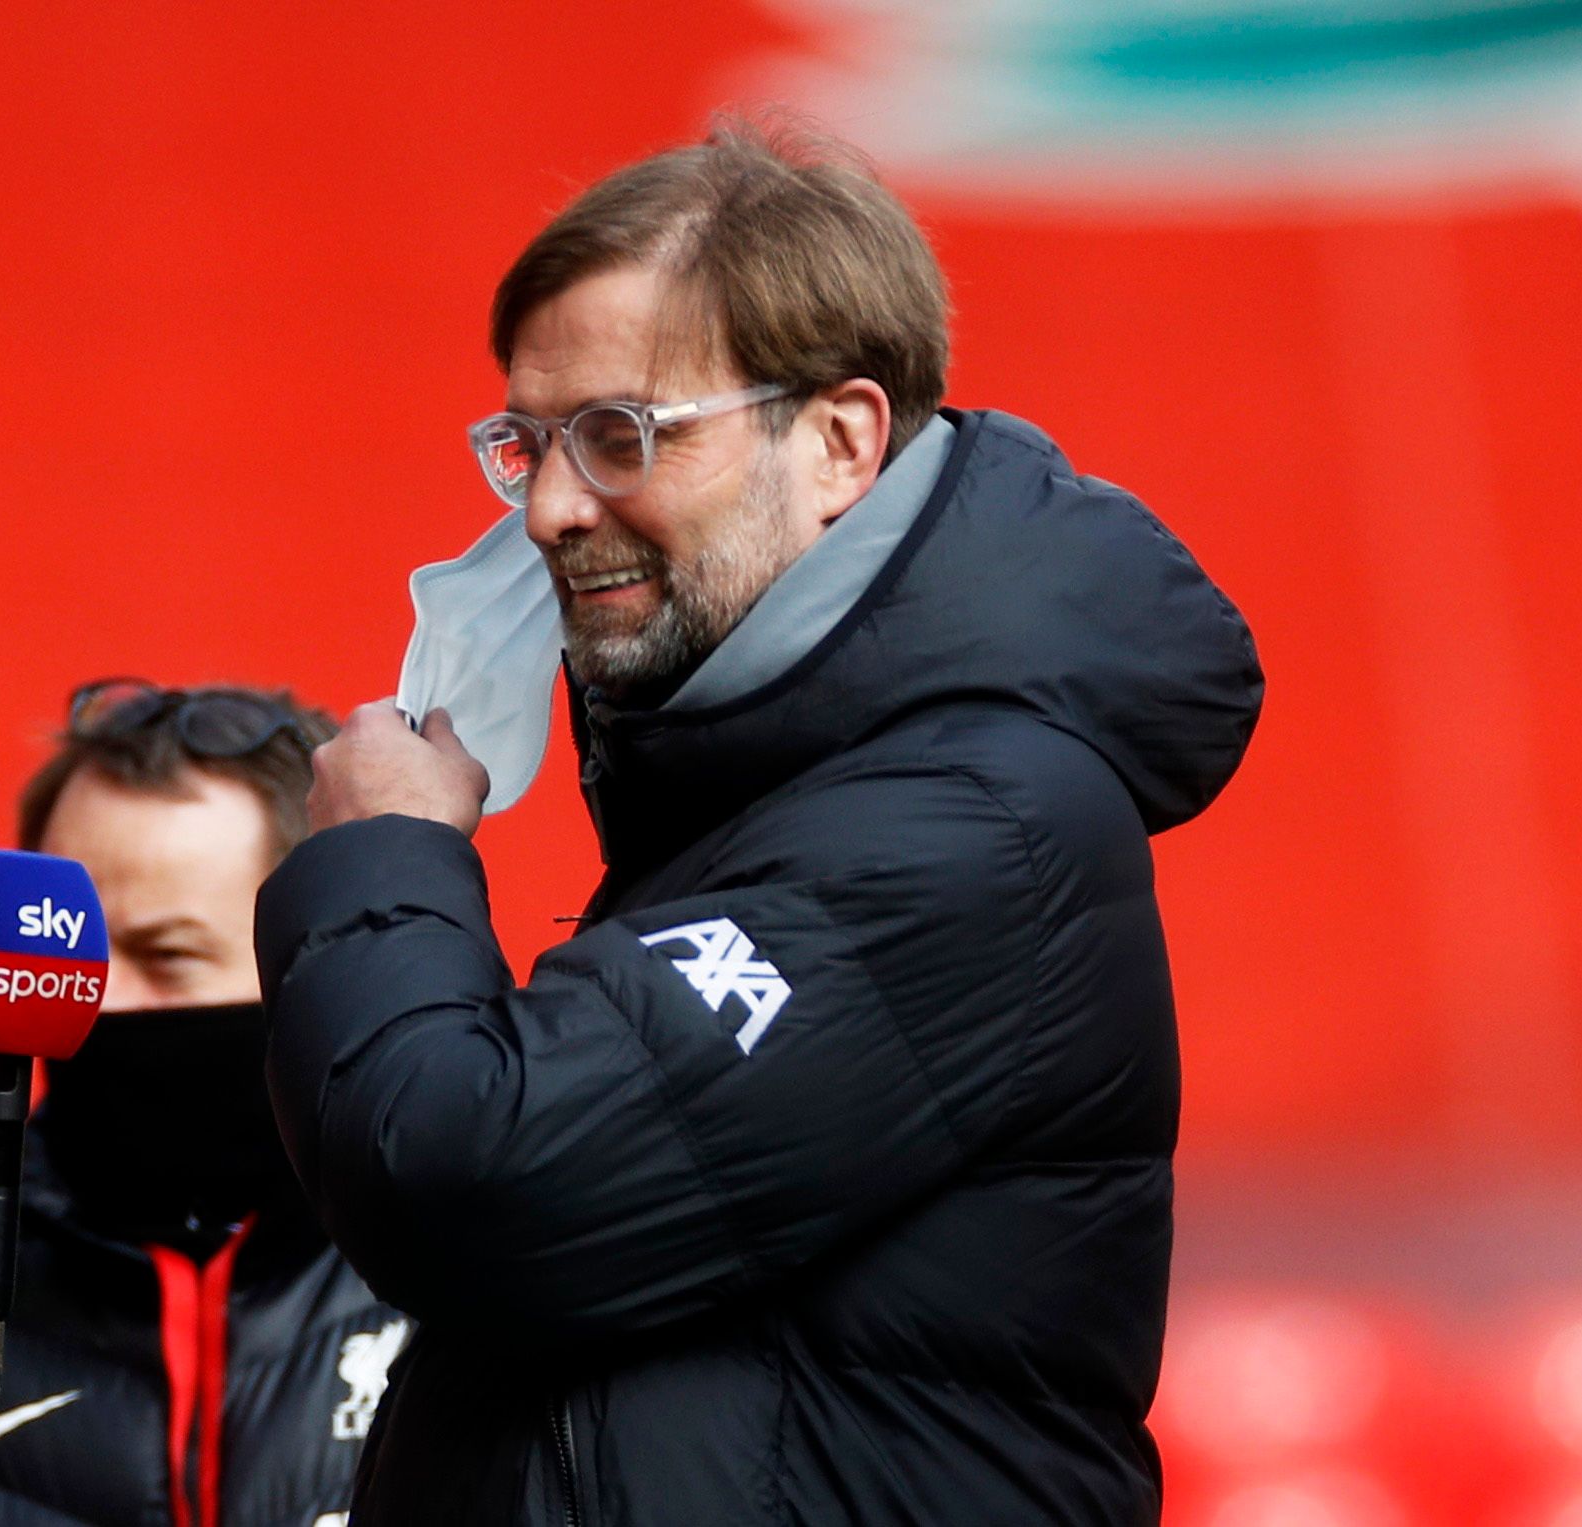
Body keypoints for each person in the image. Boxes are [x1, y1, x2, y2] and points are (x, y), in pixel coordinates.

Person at [252, 124, 1263, 1525]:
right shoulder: (781, 775)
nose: (549, 509)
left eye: (620, 437)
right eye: (525, 444)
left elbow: (468, 1174)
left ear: (838, 443)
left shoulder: (970, 827)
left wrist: (379, 857)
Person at [0, 681, 405, 1527]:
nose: (98, 998)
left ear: (315, 959)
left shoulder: (459, 1281)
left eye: (166, 954)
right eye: (69, 954)